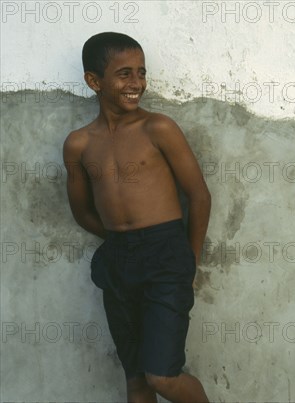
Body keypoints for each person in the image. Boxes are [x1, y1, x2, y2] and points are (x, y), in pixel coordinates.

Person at [63, 32, 211, 402]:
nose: (137, 84)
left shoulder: (157, 128)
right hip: (118, 260)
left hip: (166, 256)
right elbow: (81, 211)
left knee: (162, 376)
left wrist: (188, 260)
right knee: (136, 379)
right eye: (125, 74)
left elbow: (199, 195)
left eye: (141, 73)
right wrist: (123, 237)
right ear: (94, 81)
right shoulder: (79, 143)